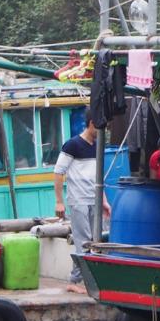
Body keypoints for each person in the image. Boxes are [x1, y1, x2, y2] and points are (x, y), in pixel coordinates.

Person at [53, 122, 105, 291]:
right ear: (91, 124)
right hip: (78, 199)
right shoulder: (72, 145)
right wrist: (59, 201)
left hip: (94, 199)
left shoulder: (97, 146)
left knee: (96, 241)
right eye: (100, 127)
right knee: (83, 241)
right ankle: (75, 282)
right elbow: (58, 172)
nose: (103, 131)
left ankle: (89, 280)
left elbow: (98, 177)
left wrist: (104, 201)